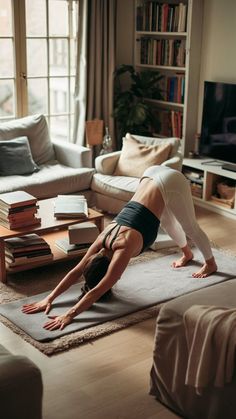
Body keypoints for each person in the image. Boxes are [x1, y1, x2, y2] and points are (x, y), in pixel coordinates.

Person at [22, 165, 217, 331]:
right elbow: (76, 271)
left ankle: (210, 264)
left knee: (189, 226)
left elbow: (98, 290)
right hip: (150, 174)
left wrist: (70, 314)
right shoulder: (102, 238)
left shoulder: (122, 249)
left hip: (170, 181)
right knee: (167, 221)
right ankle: (187, 254)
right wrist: (49, 298)